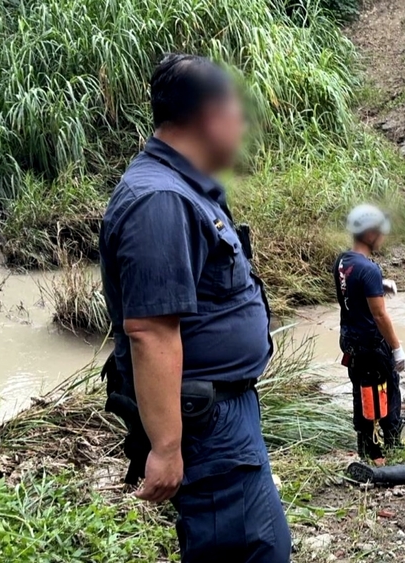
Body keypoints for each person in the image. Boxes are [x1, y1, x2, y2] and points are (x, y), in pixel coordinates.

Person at [99, 54, 290, 561]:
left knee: (255, 541)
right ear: (209, 116)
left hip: (222, 410)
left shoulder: (186, 190)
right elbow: (150, 330)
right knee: (247, 550)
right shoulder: (160, 201)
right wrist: (165, 447)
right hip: (204, 422)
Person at [334, 203, 405, 464]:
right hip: (370, 343)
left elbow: (350, 291)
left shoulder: (342, 261)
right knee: (385, 389)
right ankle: (387, 446)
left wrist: (379, 286)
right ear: (370, 233)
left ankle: (366, 446)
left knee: (361, 390)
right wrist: (397, 348)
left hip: (350, 341)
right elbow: (379, 315)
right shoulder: (369, 269)